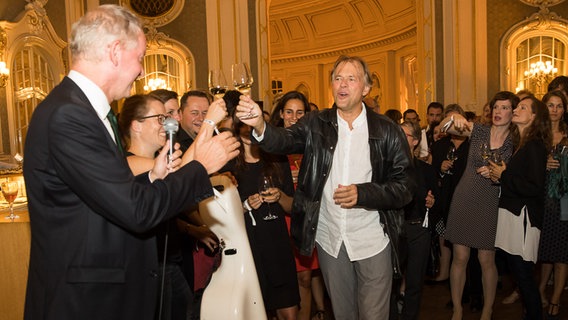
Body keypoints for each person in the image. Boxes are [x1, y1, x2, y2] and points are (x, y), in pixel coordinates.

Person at [22, 5, 239, 320]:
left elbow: (104, 196)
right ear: (114, 52)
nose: (140, 71)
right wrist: (199, 167)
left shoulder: (81, 110)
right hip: (85, 302)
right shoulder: (69, 115)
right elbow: (137, 212)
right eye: (139, 58)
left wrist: (152, 177)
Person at [236, 55, 413, 319]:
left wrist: (363, 193)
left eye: (351, 78)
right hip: (331, 239)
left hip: (373, 239)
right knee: (343, 314)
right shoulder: (316, 124)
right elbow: (284, 140)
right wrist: (261, 125)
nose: (342, 84)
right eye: (337, 78)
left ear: (366, 88)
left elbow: (405, 187)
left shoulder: (388, 131)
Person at [439, 91, 519, 320]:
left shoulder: (515, 141)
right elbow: (444, 127)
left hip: (490, 200)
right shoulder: (479, 130)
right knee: (460, 257)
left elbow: (513, 175)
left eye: (504, 108)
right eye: (496, 107)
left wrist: (498, 174)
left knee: (486, 259)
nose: (498, 112)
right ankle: (457, 308)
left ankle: (487, 309)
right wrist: (454, 118)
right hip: (465, 197)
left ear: (512, 113)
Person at [227, 120, 300, 319]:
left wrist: (280, 197)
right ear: (236, 127)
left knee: (289, 312)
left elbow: (293, 206)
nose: (249, 129)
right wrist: (245, 205)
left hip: (278, 243)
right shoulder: (229, 164)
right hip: (249, 245)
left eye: (253, 124)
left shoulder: (278, 159)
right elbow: (222, 213)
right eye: (243, 124)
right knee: (257, 312)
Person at [488, 95, 551, 320]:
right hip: (512, 214)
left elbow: (533, 187)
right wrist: (502, 175)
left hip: (522, 217)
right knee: (520, 275)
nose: (516, 109)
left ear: (534, 117)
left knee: (523, 276)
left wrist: (504, 175)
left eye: (522, 107)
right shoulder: (521, 144)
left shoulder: (534, 146)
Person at [269, 91, 328, 320]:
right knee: (284, 277)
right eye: (289, 112)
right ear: (281, 114)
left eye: (300, 112)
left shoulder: (315, 144)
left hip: (305, 218)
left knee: (305, 277)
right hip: (279, 218)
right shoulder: (271, 144)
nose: (294, 118)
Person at [398, 120, 438, 320]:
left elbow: (435, 198)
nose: (398, 138)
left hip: (418, 230)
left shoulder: (426, 170)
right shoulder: (387, 169)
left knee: (414, 283)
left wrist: (432, 201)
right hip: (394, 230)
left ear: (414, 141)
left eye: (404, 134)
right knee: (390, 281)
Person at [538, 90, 568, 319]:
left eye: (559, 105)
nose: (555, 109)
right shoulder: (537, 135)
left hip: (565, 199)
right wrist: (542, 164)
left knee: (562, 253)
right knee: (544, 250)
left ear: (564, 109)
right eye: (551, 105)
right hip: (540, 198)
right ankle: (539, 289)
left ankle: (556, 298)